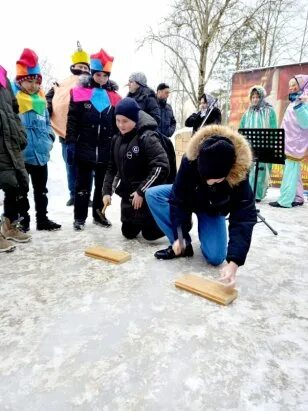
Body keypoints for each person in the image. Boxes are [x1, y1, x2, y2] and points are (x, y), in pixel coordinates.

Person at [145, 124, 257, 288]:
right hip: (191, 197)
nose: (209, 182)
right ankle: (183, 245)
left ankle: (197, 236)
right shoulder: (190, 159)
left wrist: (234, 262)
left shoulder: (239, 174)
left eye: (216, 180)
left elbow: (244, 217)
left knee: (216, 257)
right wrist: (180, 235)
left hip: (213, 208)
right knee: (153, 194)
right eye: (205, 177)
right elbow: (178, 199)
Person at [66, 48, 121, 231]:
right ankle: (79, 218)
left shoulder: (114, 97)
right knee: (82, 186)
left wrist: (117, 143)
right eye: (98, 75)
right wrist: (71, 141)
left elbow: (118, 123)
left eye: (105, 76)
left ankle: (99, 215)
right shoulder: (81, 92)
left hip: (105, 149)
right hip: (85, 147)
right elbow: (72, 118)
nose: (101, 79)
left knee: (101, 186)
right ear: (92, 74)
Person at [102, 97, 170, 240]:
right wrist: (107, 192)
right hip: (128, 194)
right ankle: (138, 221)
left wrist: (141, 191)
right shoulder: (117, 139)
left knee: (150, 235)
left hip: (146, 194)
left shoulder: (147, 137)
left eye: (125, 121)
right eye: (118, 120)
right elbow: (111, 168)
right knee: (128, 233)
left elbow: (161, 166)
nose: (121, 125)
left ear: (135, 119)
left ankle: (174, 219)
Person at [11, 48, 61, 232]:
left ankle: (42, 219)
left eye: (35, 81)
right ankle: (23, 222)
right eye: (28, 81)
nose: (32, 85)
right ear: (20, 81)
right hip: (23, 156)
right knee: (21, 192)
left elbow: (48, 124)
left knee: (41, 191)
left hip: (41, 154)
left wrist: (49, 139)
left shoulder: (42, 102)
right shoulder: (15, 100)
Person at [46, 41, 92, 206]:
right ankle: (74, 194)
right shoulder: (62, 83)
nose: (83, 69)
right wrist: (51, 107)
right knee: (71, 164)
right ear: (73, 66)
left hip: (87, 134)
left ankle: (86, 195)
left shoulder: (92, 83)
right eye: (80, 66)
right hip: (66, 133)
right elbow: (50, 98)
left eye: (86, 67)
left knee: (87, 167)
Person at [0, 64, 31, 251]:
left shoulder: (3, 76)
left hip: (10, 141)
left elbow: (14, 109)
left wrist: (21, 134)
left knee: (13, 183)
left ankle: (9, 226)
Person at [269, 75, 308, 208]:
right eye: (290, 85)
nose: (291, 88)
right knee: (294, 171)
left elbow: (305, 123)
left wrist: (300, 105)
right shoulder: (295, 100)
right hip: (289, 140)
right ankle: (298, 197)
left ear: (302, 85)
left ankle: (285, 201)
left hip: (295, 142)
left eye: (294, 85)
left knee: (290, 171)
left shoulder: (304, 101)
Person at [239, 85, 278, 202]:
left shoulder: (269, 111)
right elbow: (241, 129)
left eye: (257, 97)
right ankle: (249, 193)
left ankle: (258, 195)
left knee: (261, 171)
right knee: (250, 170)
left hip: (264, 147)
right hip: (250, 147)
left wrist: (270, 145)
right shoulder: (247, 113)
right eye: (253, 97)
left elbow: (273, 129)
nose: (255, 99)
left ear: (261, 97)